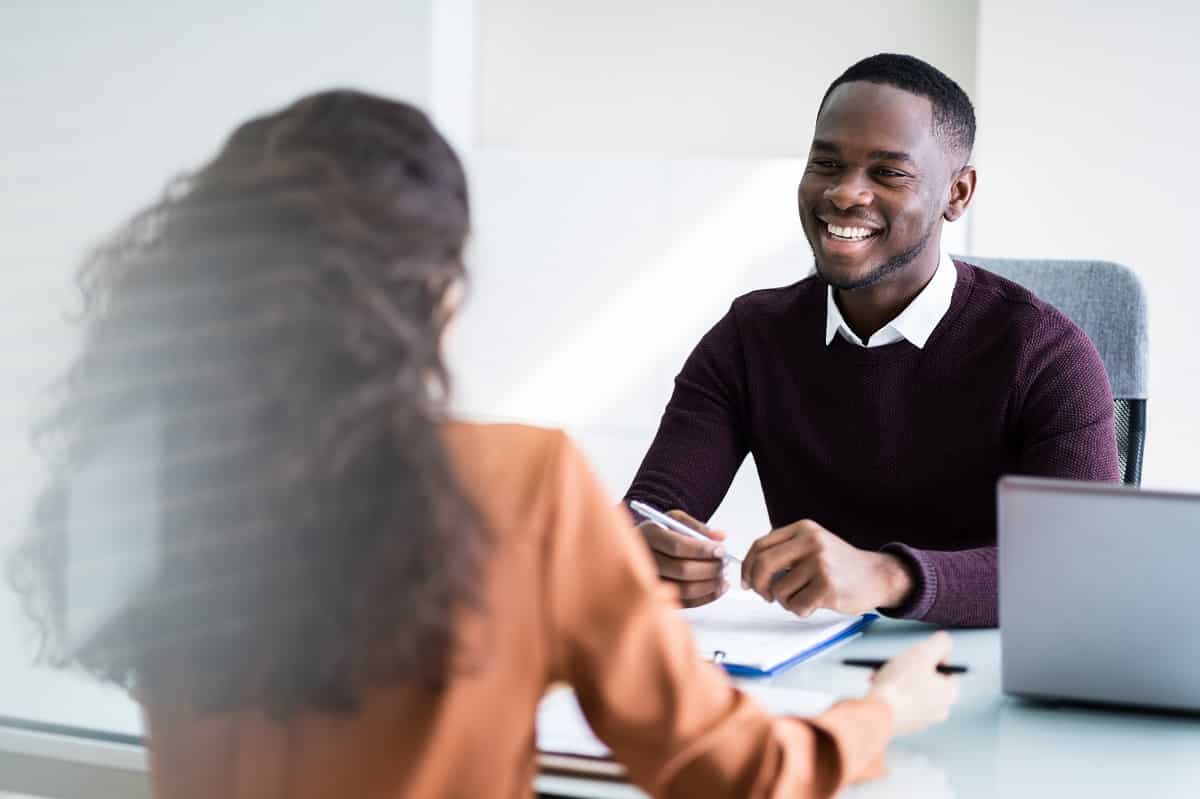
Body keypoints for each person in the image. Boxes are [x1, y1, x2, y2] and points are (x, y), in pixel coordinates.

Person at [9, 89, 958, 798]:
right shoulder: (519, 483)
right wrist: (880, 713)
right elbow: (723, 767)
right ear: (437, 294)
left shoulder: (154, 474)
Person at [625, 53, 1119, 628]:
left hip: (992, 674)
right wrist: (646, 552)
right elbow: (651, 511)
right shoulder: (749, 337)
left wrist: (886, 576)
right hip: (809, 674)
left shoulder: (1047, 355)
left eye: (888, 173)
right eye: (826, 163)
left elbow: (1078, 568)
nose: (843, 194)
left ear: (957, 193)